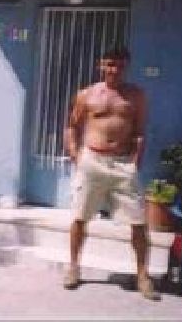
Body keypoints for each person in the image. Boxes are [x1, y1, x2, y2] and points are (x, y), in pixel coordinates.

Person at [62, 44, 159, 301]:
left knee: (138, 222)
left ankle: (143, 275)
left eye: (119, 65)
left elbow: (139, 132)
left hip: (123, 164)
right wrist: (75, 154)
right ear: (101, 65)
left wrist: (136, 160)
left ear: (126, 67)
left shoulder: (136, 96)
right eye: (110, 64)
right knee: (80, 217)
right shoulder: (87, 94)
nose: (114, 69)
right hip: (92, 161)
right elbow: (72, 126)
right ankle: (73, 267)